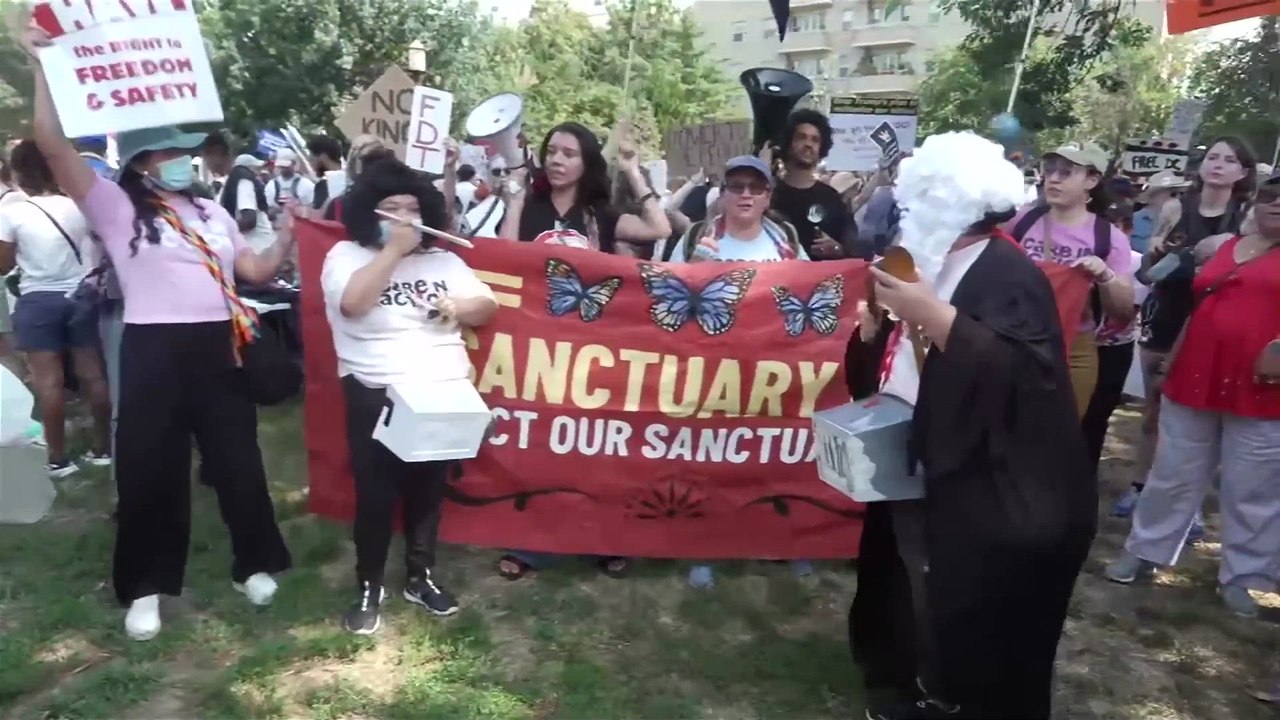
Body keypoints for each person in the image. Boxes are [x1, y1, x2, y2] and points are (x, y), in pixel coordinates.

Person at [20, 19, 296, 641]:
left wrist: (285, 236)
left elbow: (251, 270)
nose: (183, 159)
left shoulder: (212, 210)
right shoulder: (115, 210)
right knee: (150, 468)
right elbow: (52, 143)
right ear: (144, 160)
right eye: (170, 150)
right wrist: (41, 68)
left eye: (185, 150)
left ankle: (254, 563)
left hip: (218, 348)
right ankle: (145, 586)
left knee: (238, 462)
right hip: (153, 348)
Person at [849, 210, 1095, 720]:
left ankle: (956, 697)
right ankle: (912, 680)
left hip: (982, 473)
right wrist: (872, 336)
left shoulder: (1008, 273)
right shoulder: (924, 260)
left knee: (958, 596)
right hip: (912, 445)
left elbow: (1026, 378)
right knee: (908, 573)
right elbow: (899, 357)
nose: (906, 218)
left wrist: (937, 318)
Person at [320, 158, 497, 634]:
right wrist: (393, 252)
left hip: (442, 393)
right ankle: (368, 585)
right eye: (390, 209)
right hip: (377, 391)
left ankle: (420, 576)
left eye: (412, 208)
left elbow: (486, 306)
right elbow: (353, 305)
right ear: (367, 213)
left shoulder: (446, 261)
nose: (404, 217)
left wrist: (458, 306)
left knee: (427, 493)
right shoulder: (345, 257)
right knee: (375, 495)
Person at [1104, 171, 1280, 618]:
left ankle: (1243, 575)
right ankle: (1145, 551)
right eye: (1271, 195)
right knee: (1173, 470)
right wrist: (1169, 362)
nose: (1276, 204)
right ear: (1256, 202)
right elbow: (1202, 309)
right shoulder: (1225, 249)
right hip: (1195, 372)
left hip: (1262, 388)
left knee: (1251, 486)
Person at [1114, 137, 1256, 518]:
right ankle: (1139, 486)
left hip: (1218, 323)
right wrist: (1161, 252)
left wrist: (1228, 249)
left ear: (1242, 173)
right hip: (1167, 316)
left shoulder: (1248, 218)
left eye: (1229, 160)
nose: (1219, 165)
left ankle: (1187, 506)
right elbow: (1146, 273)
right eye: (1213, 157)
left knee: (1207, 417)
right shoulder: (1176, 207)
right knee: (1154, 410)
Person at [0, 140, 112, 476]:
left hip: (37, 300)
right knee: (92, 374)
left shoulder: (12, 213)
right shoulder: (77, 206)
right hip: (81, 296)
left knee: (48, 382)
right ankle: (103, 448)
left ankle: (57, 458)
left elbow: (3, 266)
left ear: (19, 171)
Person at [1005, 142, 1135, 418]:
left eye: (1066, 172)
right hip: (1014, 342)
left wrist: (1105, 276)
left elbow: (1123, 313)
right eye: (1050, 170)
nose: (1053, 178)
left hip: (1075, 351)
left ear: (1092, 180)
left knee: (1055, 437)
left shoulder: (1109, 238)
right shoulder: (1020, 221)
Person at [498, 121, 670, 251]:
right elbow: (504, 258)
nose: (556, 160)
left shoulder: (601, 215)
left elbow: (659, 229)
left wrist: (633, 172)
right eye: (551, 152)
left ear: (587, 163)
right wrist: (514, 203)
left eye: (569, 154)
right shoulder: (525, 208)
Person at [667, 156, 805, 263]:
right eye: (736, 187)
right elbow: (669, 293)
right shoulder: (696, 237)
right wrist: (692, 270)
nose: (746, 194)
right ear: (722, 195)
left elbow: (811, 288)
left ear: (767, 198)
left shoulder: (787, 239)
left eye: (756, 188)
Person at [767, 109, 856, 260]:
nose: (808, 144)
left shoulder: (832, 198)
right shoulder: (768, 195)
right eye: (801, 137)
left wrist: (837, 249)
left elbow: (853, 251)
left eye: (815, 140)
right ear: (788, 142)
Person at [1129, 170, 1191, 254]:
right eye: (1173, 193)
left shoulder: (1186, 222)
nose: (1177, 198)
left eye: (1181, 193)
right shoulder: (1133, 220)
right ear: (1154, 195)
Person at [307, 135, 344, 211]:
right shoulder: (352, 180)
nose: (310, 162)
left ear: (323, 156)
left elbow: (319, 218)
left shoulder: (324, 185)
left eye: (311, 158)